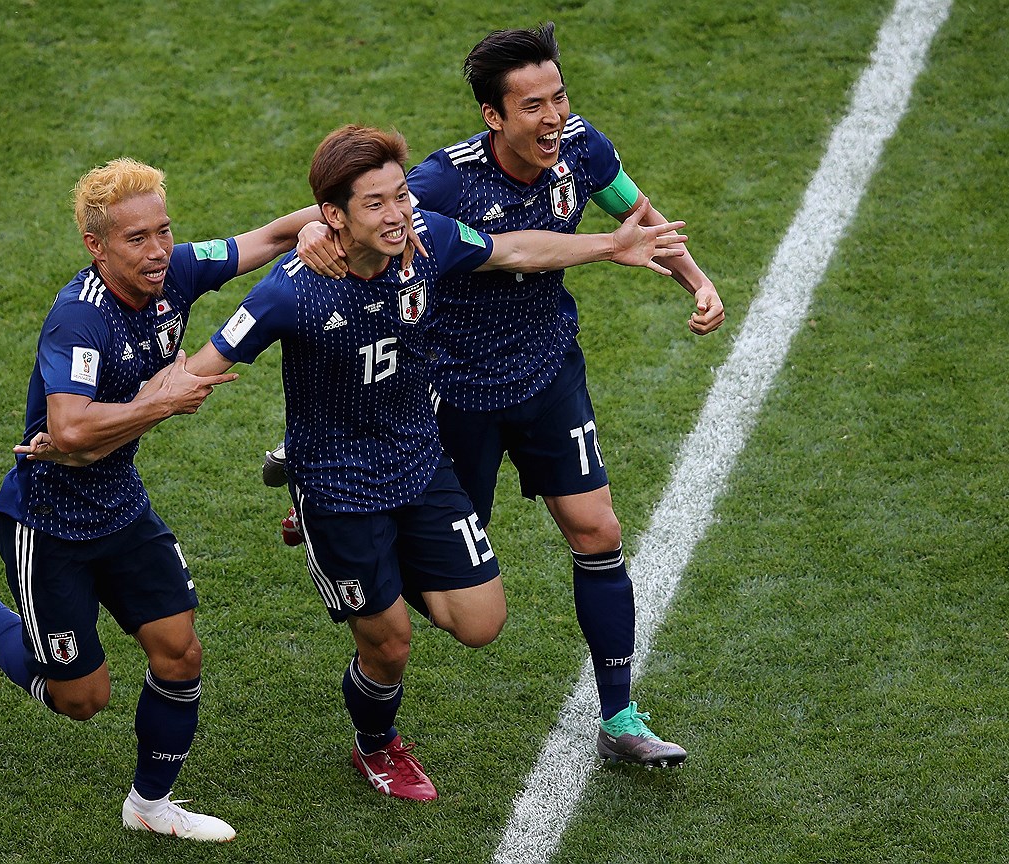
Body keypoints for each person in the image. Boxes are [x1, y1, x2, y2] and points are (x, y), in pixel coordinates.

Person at [185, 125, 688, 800]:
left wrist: (609, 245)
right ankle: (376, 745)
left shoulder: (429, 241)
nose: (397, 214)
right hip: (339, 485)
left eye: (400, 196)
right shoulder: (290, 291)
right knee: (389, 644)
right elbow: (200, 370)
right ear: (333, 217)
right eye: (375, 203)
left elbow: (512, 247)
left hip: (420, 462)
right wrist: (97, 424)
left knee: (481, 624)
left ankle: (359, 563)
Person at [292, 23, 725, 769]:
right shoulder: (444, 180)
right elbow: (351, 214)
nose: (553, 116)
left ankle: (620, 715)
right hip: (453, 389)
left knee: (597, 531)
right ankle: (325, 494)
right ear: (494, 116)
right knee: (445, 598)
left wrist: (696, 277)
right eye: (532, 105)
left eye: (558, 97)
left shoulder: (582, 148)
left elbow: (636, 215)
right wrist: (308, 237)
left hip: (548, 371)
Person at [0, 157, 332, 842]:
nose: (157, 250)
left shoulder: (177, 270)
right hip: (49, 525)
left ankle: (149, 804)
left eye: (163, 231)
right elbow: (70, 427)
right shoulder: (79, 320)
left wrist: (323, 225)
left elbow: (277, 235)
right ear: (96, 246)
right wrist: (158, 400)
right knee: (82, 698)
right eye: (136, 238)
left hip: (122, 507)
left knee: (179, 653)